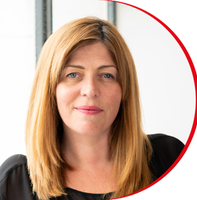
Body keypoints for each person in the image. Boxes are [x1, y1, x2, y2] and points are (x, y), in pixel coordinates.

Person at [0, 17, 184, 200]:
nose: (90, 90)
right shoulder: (15, 182)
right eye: (72, 74)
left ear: (125, 89)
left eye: (106, 75)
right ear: (50, 89)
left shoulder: (169, 157)